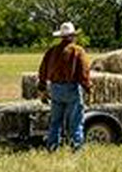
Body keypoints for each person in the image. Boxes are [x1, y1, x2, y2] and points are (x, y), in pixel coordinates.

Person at [38, 21, 91, 152]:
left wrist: (42, 88)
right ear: (73, 36)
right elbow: (84, 73)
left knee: (55, 121)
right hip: (71, 88)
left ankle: (52, 147)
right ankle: (76, 147)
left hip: (55, 88)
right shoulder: (78, 51)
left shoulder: (51, 51)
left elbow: (42, 71)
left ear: (61, 37)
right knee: (75, 121)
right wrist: (88, 88)